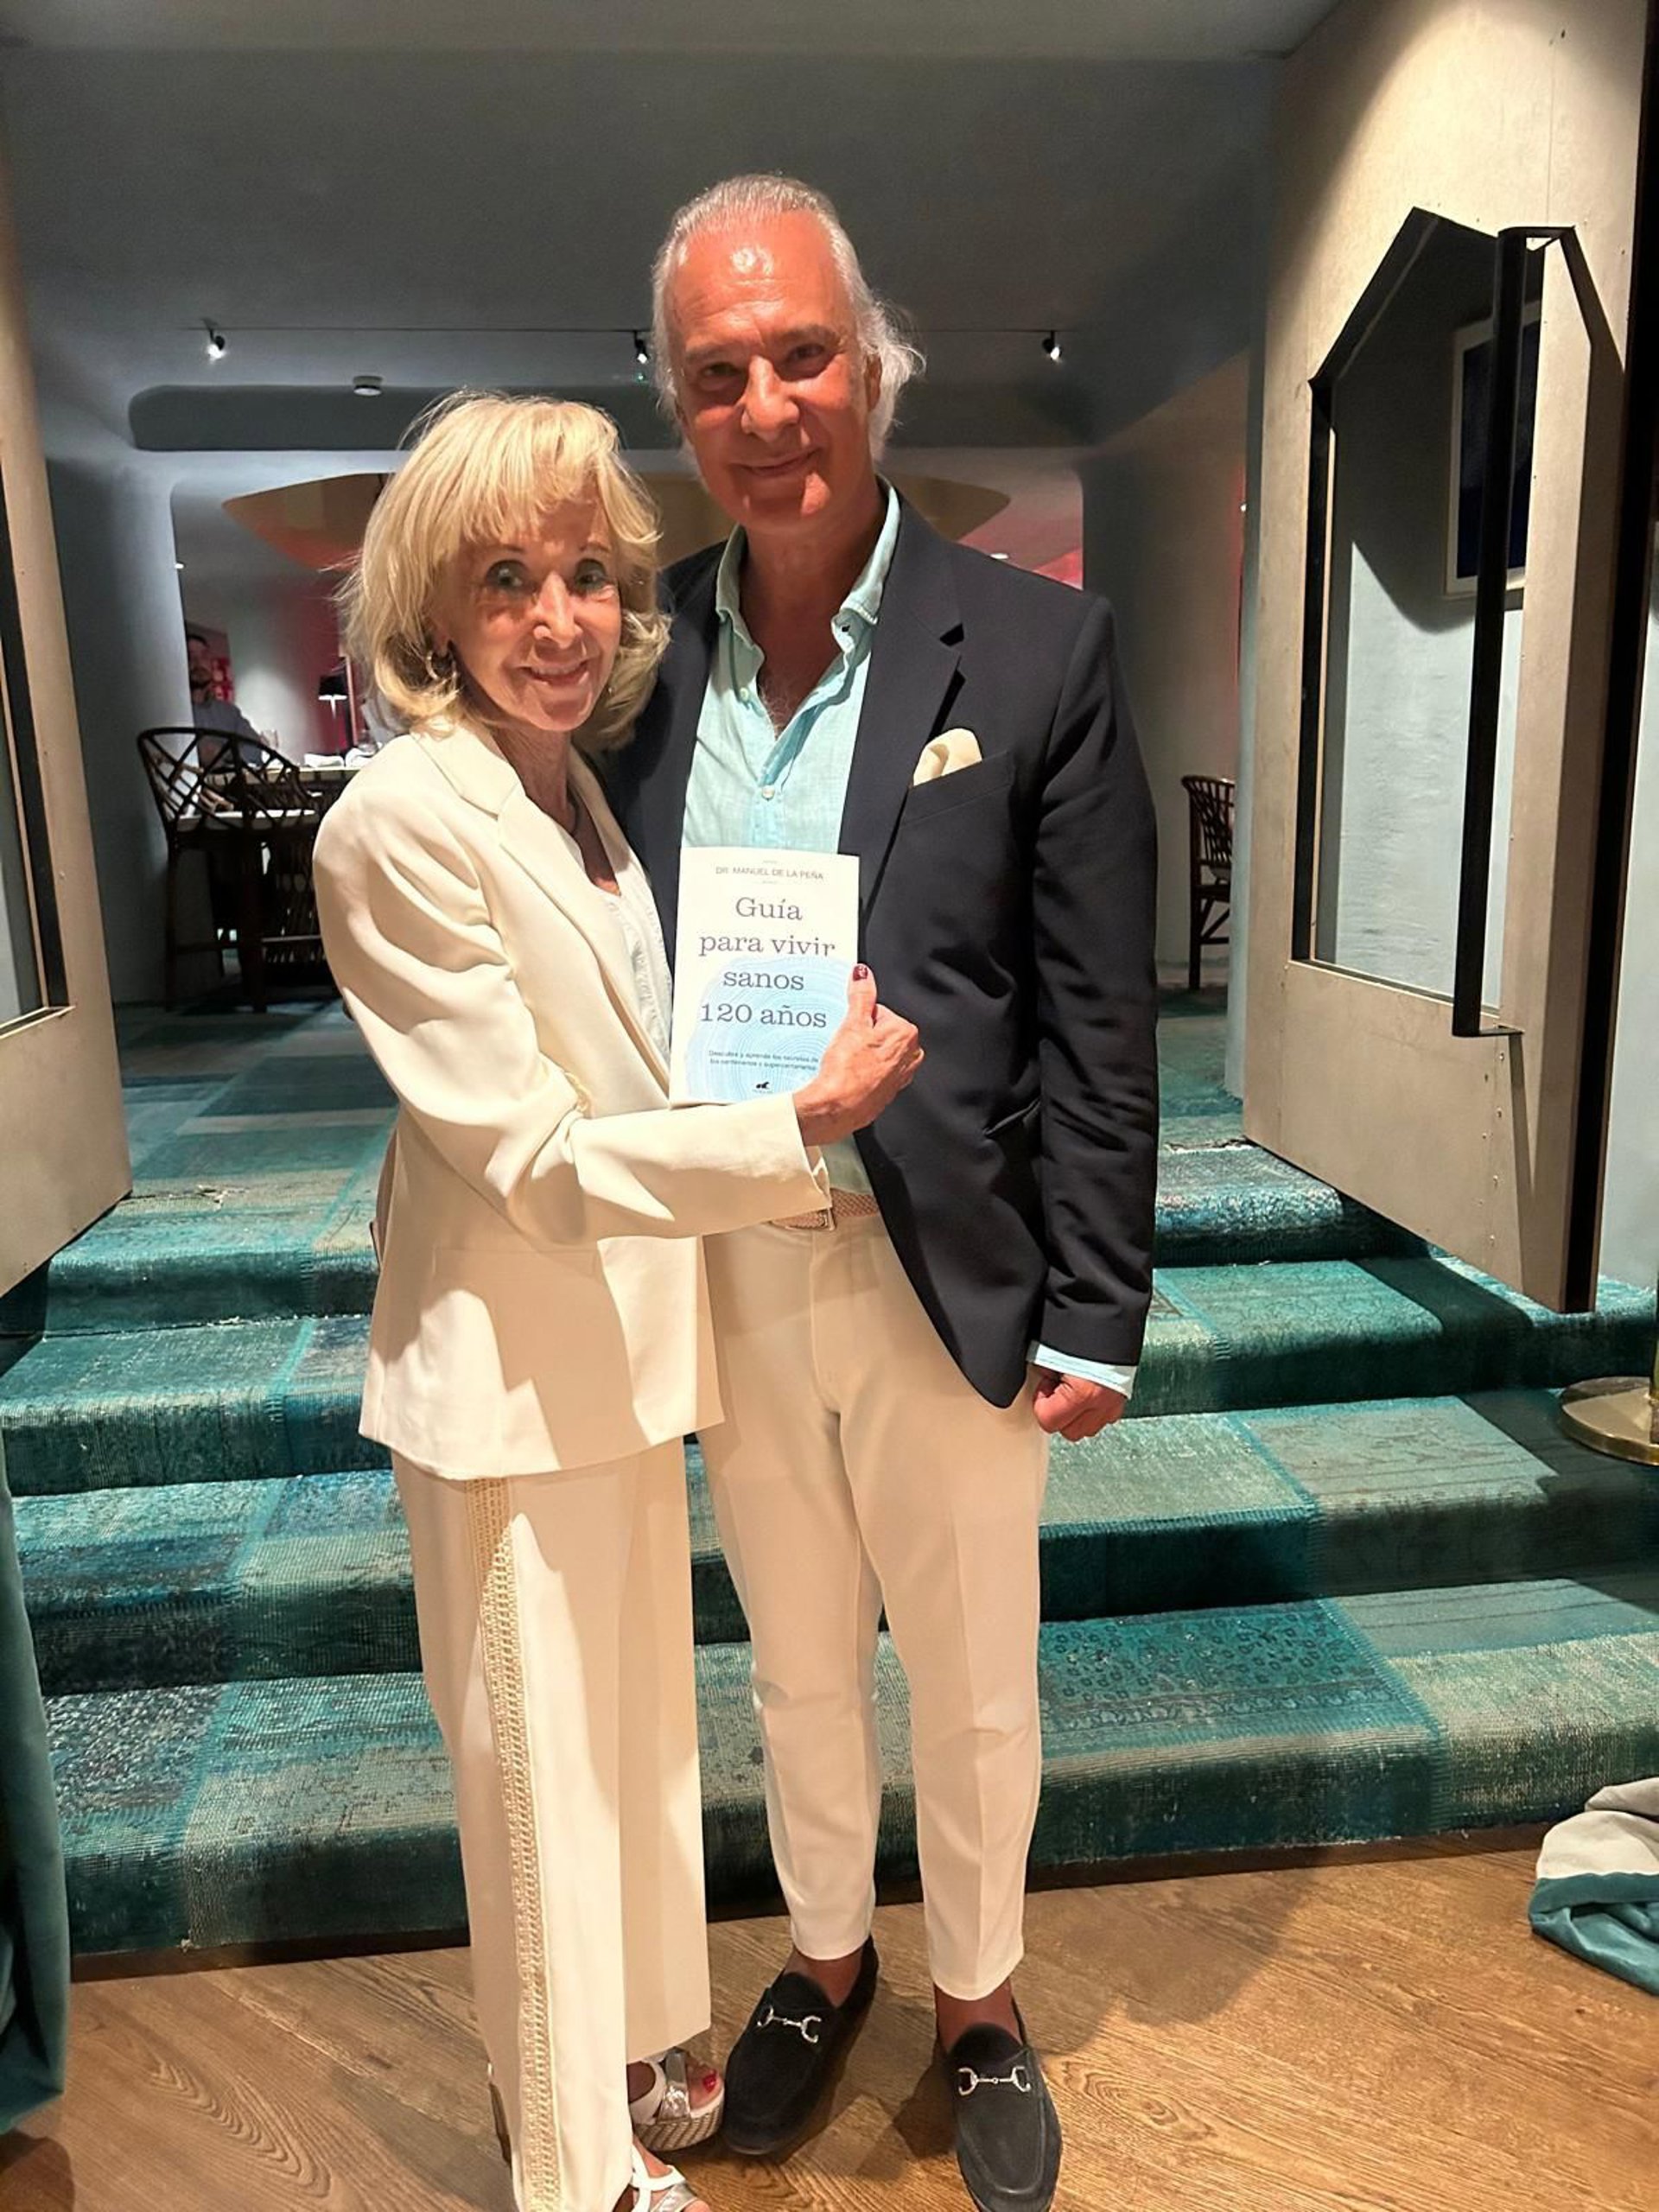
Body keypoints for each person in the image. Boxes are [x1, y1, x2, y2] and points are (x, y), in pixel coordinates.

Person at [606, 177, 1159, 2212]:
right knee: (792, 1654)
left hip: (955, 1265)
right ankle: (827, 1956)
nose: (765, 407)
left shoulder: (1035, 643)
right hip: (731, 1255)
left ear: (876, 367)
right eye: (717, 373)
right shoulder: (632, 661)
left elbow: (1098, 1010)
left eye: (802, 355)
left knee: (976, 1667)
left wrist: (1100, 1301)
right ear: (676, 402)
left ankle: (979, 1994)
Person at [311, 391, 921, 2212]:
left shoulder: (569, 787)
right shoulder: (396, 823)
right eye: (507, 578)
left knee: (638, 1752)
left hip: (626, 1363)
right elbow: (539, 1155)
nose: (560, 618)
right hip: (509, 1380)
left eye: (586, 573)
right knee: (539, 1795)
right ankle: (575, 2167)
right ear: (433, 606)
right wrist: (792, 1128)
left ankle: (634, 2058)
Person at [186, 626, 260, 756]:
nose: (199, 663)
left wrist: (222, 754)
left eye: (204, 656)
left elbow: (255, 749)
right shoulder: (173, 713)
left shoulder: (230, 713)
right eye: (190, 657)